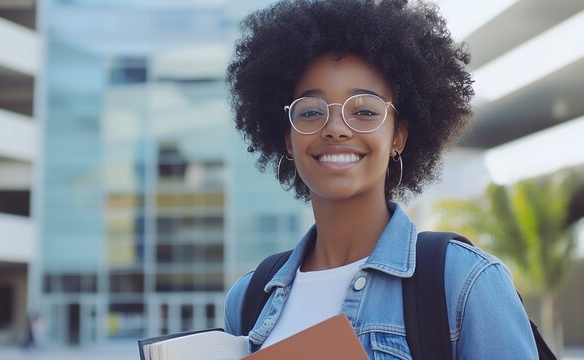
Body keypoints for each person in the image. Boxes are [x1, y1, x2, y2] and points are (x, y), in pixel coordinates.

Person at [223, 0, 539, 358]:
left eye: (364, 111)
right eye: (311, 112)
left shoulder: (463, 282)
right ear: (288, 141)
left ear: (398, 137)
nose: (336, 129)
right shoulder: (249, 298)